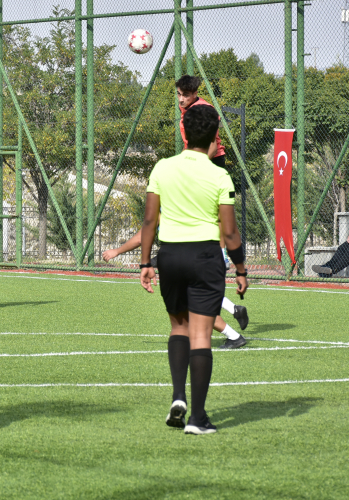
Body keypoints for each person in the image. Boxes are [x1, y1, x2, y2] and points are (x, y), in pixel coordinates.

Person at [141, 105, 248, 435]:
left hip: (170, 255)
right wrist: (241, 269)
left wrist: (145, 263)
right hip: (204, 256)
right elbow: (230, 232)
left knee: (178, 328)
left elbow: (149, 220)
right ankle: (198, 419)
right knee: (201, 335)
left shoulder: (162, 167)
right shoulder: (219, 176)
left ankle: (178, 397)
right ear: (215, 137)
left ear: (185, 134)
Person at [102, 227, 249, 349]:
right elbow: (225, 225)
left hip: (187, 258)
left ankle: (233, 335)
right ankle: (233, 312)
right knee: (202, 298)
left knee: (195, 308)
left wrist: (118, 251)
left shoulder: (165, 206)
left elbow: (143, 236)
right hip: (204, 256)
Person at [176, 75, 227, 169]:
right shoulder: (185, 107)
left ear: (195, 94)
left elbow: (213, 148)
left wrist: (195, 168)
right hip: (195, 160)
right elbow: (187, 144)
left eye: (186, 95)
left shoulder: (204, 111)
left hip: (212, 161)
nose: (181, 99)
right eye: (179, 94)